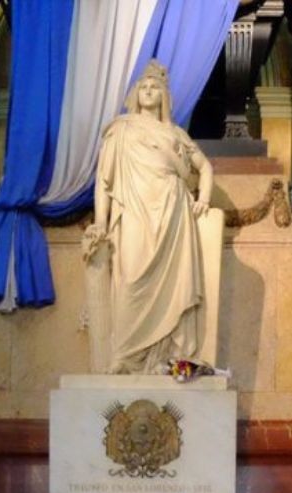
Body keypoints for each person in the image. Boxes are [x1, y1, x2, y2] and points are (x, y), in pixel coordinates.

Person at [91, 59, 214, 374]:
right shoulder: (121, 129)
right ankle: (125, 354)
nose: (148, 91)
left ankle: (168, 356)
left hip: (172, 213)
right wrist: (101, 223)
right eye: (143, 87)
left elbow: (204, 167)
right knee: (130, 278)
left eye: (154, 87)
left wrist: (204, 197)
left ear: (164, 96)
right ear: (136, 93)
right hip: (134, 210)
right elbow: (103, 182)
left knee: (174, 285)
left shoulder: (175, 133)